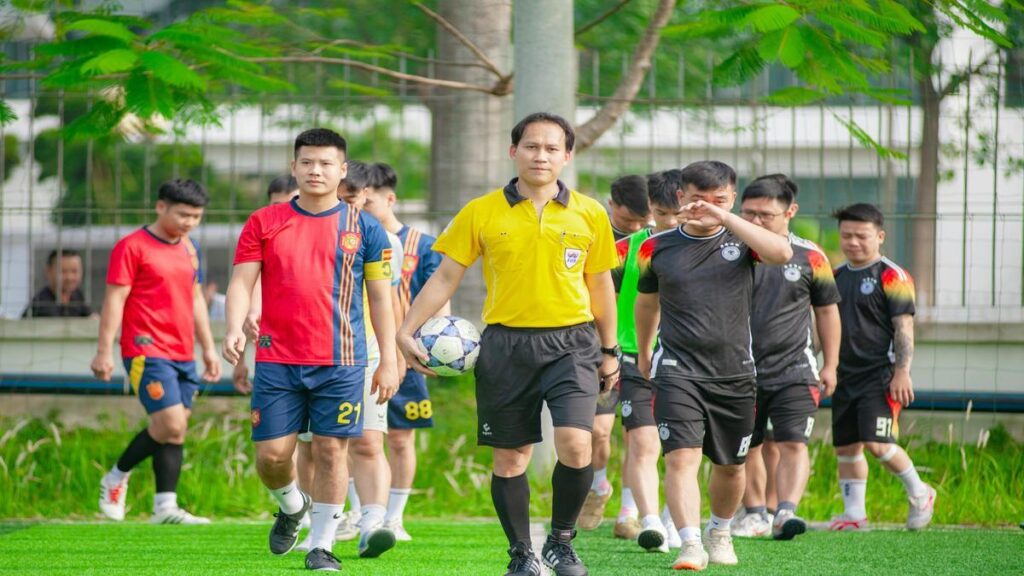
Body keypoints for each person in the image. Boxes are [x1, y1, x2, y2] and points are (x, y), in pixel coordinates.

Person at [396, 112, 620, 576]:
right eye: (532, 146)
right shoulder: (481, 210)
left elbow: (600, 286)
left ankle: (561, 541)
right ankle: (521, 552)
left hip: (573, 343)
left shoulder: (590, 212)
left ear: (567, 156)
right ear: (513, 151)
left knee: (577, 445)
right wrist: (405, 329)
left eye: (552, 148)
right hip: (504, 345)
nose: (541, 155)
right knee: (510, 456)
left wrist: (609, 348)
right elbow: (444, 277)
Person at [222, 128, 399, 572]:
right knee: (272, 456)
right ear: (294, 166)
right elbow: (242, 281)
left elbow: (381, 298)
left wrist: (390, 361)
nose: (315, 170)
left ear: (341, 170)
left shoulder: (365, 227)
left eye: (325, 163)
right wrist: (231, 329)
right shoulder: (264, 221)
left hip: (342, 361)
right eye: (307, 162)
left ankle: (322, 545)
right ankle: (290, 505)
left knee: (331, 451)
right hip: (276, 359)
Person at [634, 161, 793, 571]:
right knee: (680, 459)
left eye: (720, 200)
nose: (707, 207)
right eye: (699, 199)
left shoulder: (744, 241)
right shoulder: (657, 246)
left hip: (735, 372)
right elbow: (647, 300)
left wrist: (725, 217)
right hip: (677, 369)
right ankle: (689, 543)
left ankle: (719, 530)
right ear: (681, 198)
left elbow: (782, 252)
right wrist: (645, 348)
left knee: (730, 466)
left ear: (732, 199)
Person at [93, 179, 221, 524]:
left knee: (175, 430)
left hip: (183, 352)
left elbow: (195, 299)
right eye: (183, 214)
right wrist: (104, 351)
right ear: (160, 206)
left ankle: (165, 507)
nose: (189, 222)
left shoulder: (189, 249)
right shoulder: (131, 247)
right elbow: (114, 300)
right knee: (170, 422)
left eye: (196, 216)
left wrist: (209, 348)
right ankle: (115, 477)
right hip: (145, 350)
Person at [731, 174, 841, 541]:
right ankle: (755, 514)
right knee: (748, 446)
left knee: (794, 442)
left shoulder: (812, 256)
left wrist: (830, 364)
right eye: (748, 213)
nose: (755, 221)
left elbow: (827, 312)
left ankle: (786, 512)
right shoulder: (730, 250)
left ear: (790, 211)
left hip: (795, 369)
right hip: (738, 369)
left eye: (765, 214)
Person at [829, 203, 936, 532]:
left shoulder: (893, 275)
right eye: (846, 235)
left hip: (880, 374)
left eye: (861, 236)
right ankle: (854, 516)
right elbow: (825, 324)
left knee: (878, 444)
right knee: (846, 447)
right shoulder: (835, 276)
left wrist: (902, 371)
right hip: (844, 375)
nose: (853, 242)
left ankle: (921, 493)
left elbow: (904, 327)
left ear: (880, 236)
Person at [363, 162, 447, 541]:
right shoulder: (351, 239)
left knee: (400, 437)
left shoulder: (422, 244)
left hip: (407, 354)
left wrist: (434, 344)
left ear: (390, 198)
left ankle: (394, 517)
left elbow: (439, 295)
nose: (361, 209)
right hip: (362, 350)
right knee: (360, 437)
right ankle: (359, 513)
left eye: (369, 202)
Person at [610, 171, 681, 553]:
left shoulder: (705, 250)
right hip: (635, 359)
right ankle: (649, 521)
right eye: (661, 213)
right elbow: (600, 300)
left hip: (686, 360)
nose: (668, 222)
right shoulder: (626, 251)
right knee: (642, 442)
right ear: (650, 209)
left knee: (681, 451)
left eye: (676, 213)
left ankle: (674, 521)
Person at [579, 174, 650, 533]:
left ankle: (629, 512)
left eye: (644, 220)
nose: (638, 228)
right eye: (629, 221)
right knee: (598, 430)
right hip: (601, 349)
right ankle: (599, 485)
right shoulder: (593, 236)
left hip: (646, 351)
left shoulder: (657, 242)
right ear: (612, 206)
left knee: (638, 437)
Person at [230, 175, 301, 395]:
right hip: (274, 355)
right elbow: (245, 288)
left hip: (326, 357)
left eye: (294, 201)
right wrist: (239, 361)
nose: (287, 210)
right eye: (277, 205)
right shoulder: (261, 235)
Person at [23, 248, 93, 318]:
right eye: (63, 271)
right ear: (48, 272)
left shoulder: (78, 296)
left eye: (74, 271)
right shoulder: (41, 304)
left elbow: (92, 317)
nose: (69, 277)